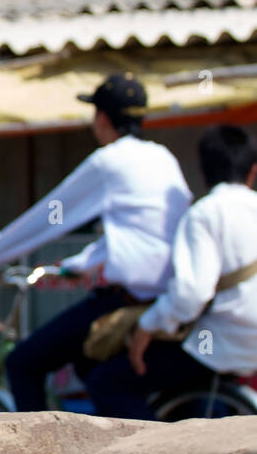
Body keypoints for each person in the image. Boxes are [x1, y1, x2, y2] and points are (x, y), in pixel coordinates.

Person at [0, 73, 192, 411]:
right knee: (90, 368)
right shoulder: (163, 158)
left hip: (123, 301)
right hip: (162, 297)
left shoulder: (110, 161)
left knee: (23, 363)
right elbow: (137, 237)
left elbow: (49, 215)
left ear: (103, 118)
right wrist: (73, 266)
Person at [85, 125, 257, 418]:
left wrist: (147, 325)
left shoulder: (206, 213)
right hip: (243, 343)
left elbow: (192, 293)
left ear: (204, 172)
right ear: (252, 171)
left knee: (106, 382)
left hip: (223, 342)